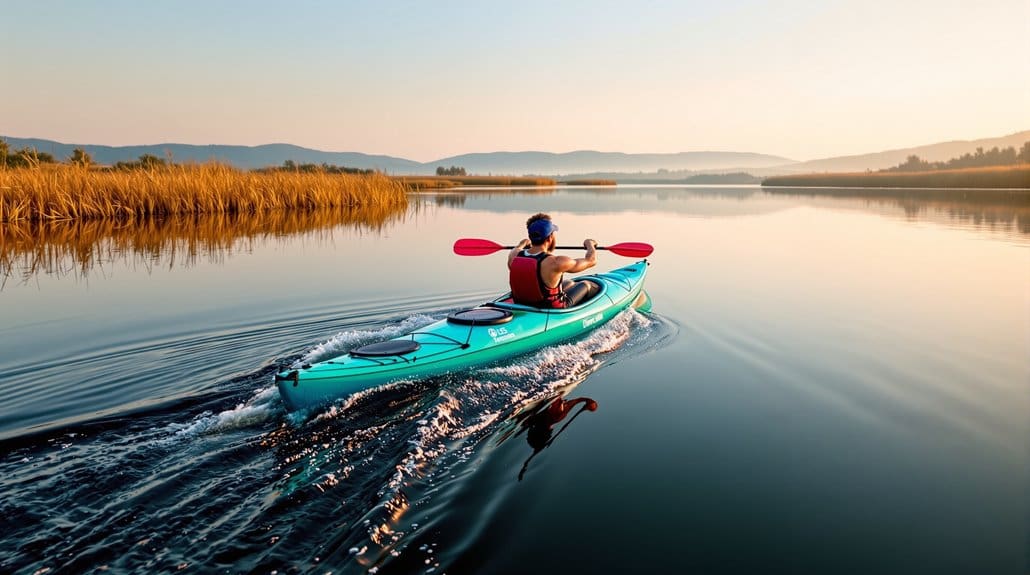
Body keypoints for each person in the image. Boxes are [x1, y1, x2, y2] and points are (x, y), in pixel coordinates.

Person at [507, 213, 600, 308]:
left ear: (530, 237)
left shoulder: (513, 255)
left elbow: (517, 248)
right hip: (551, 308)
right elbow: (591, 260)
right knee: (586, 284)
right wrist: (590, 244)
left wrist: (522, 243)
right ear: (550, 238)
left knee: (569, 283)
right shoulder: (556, 262)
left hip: (521, 302)